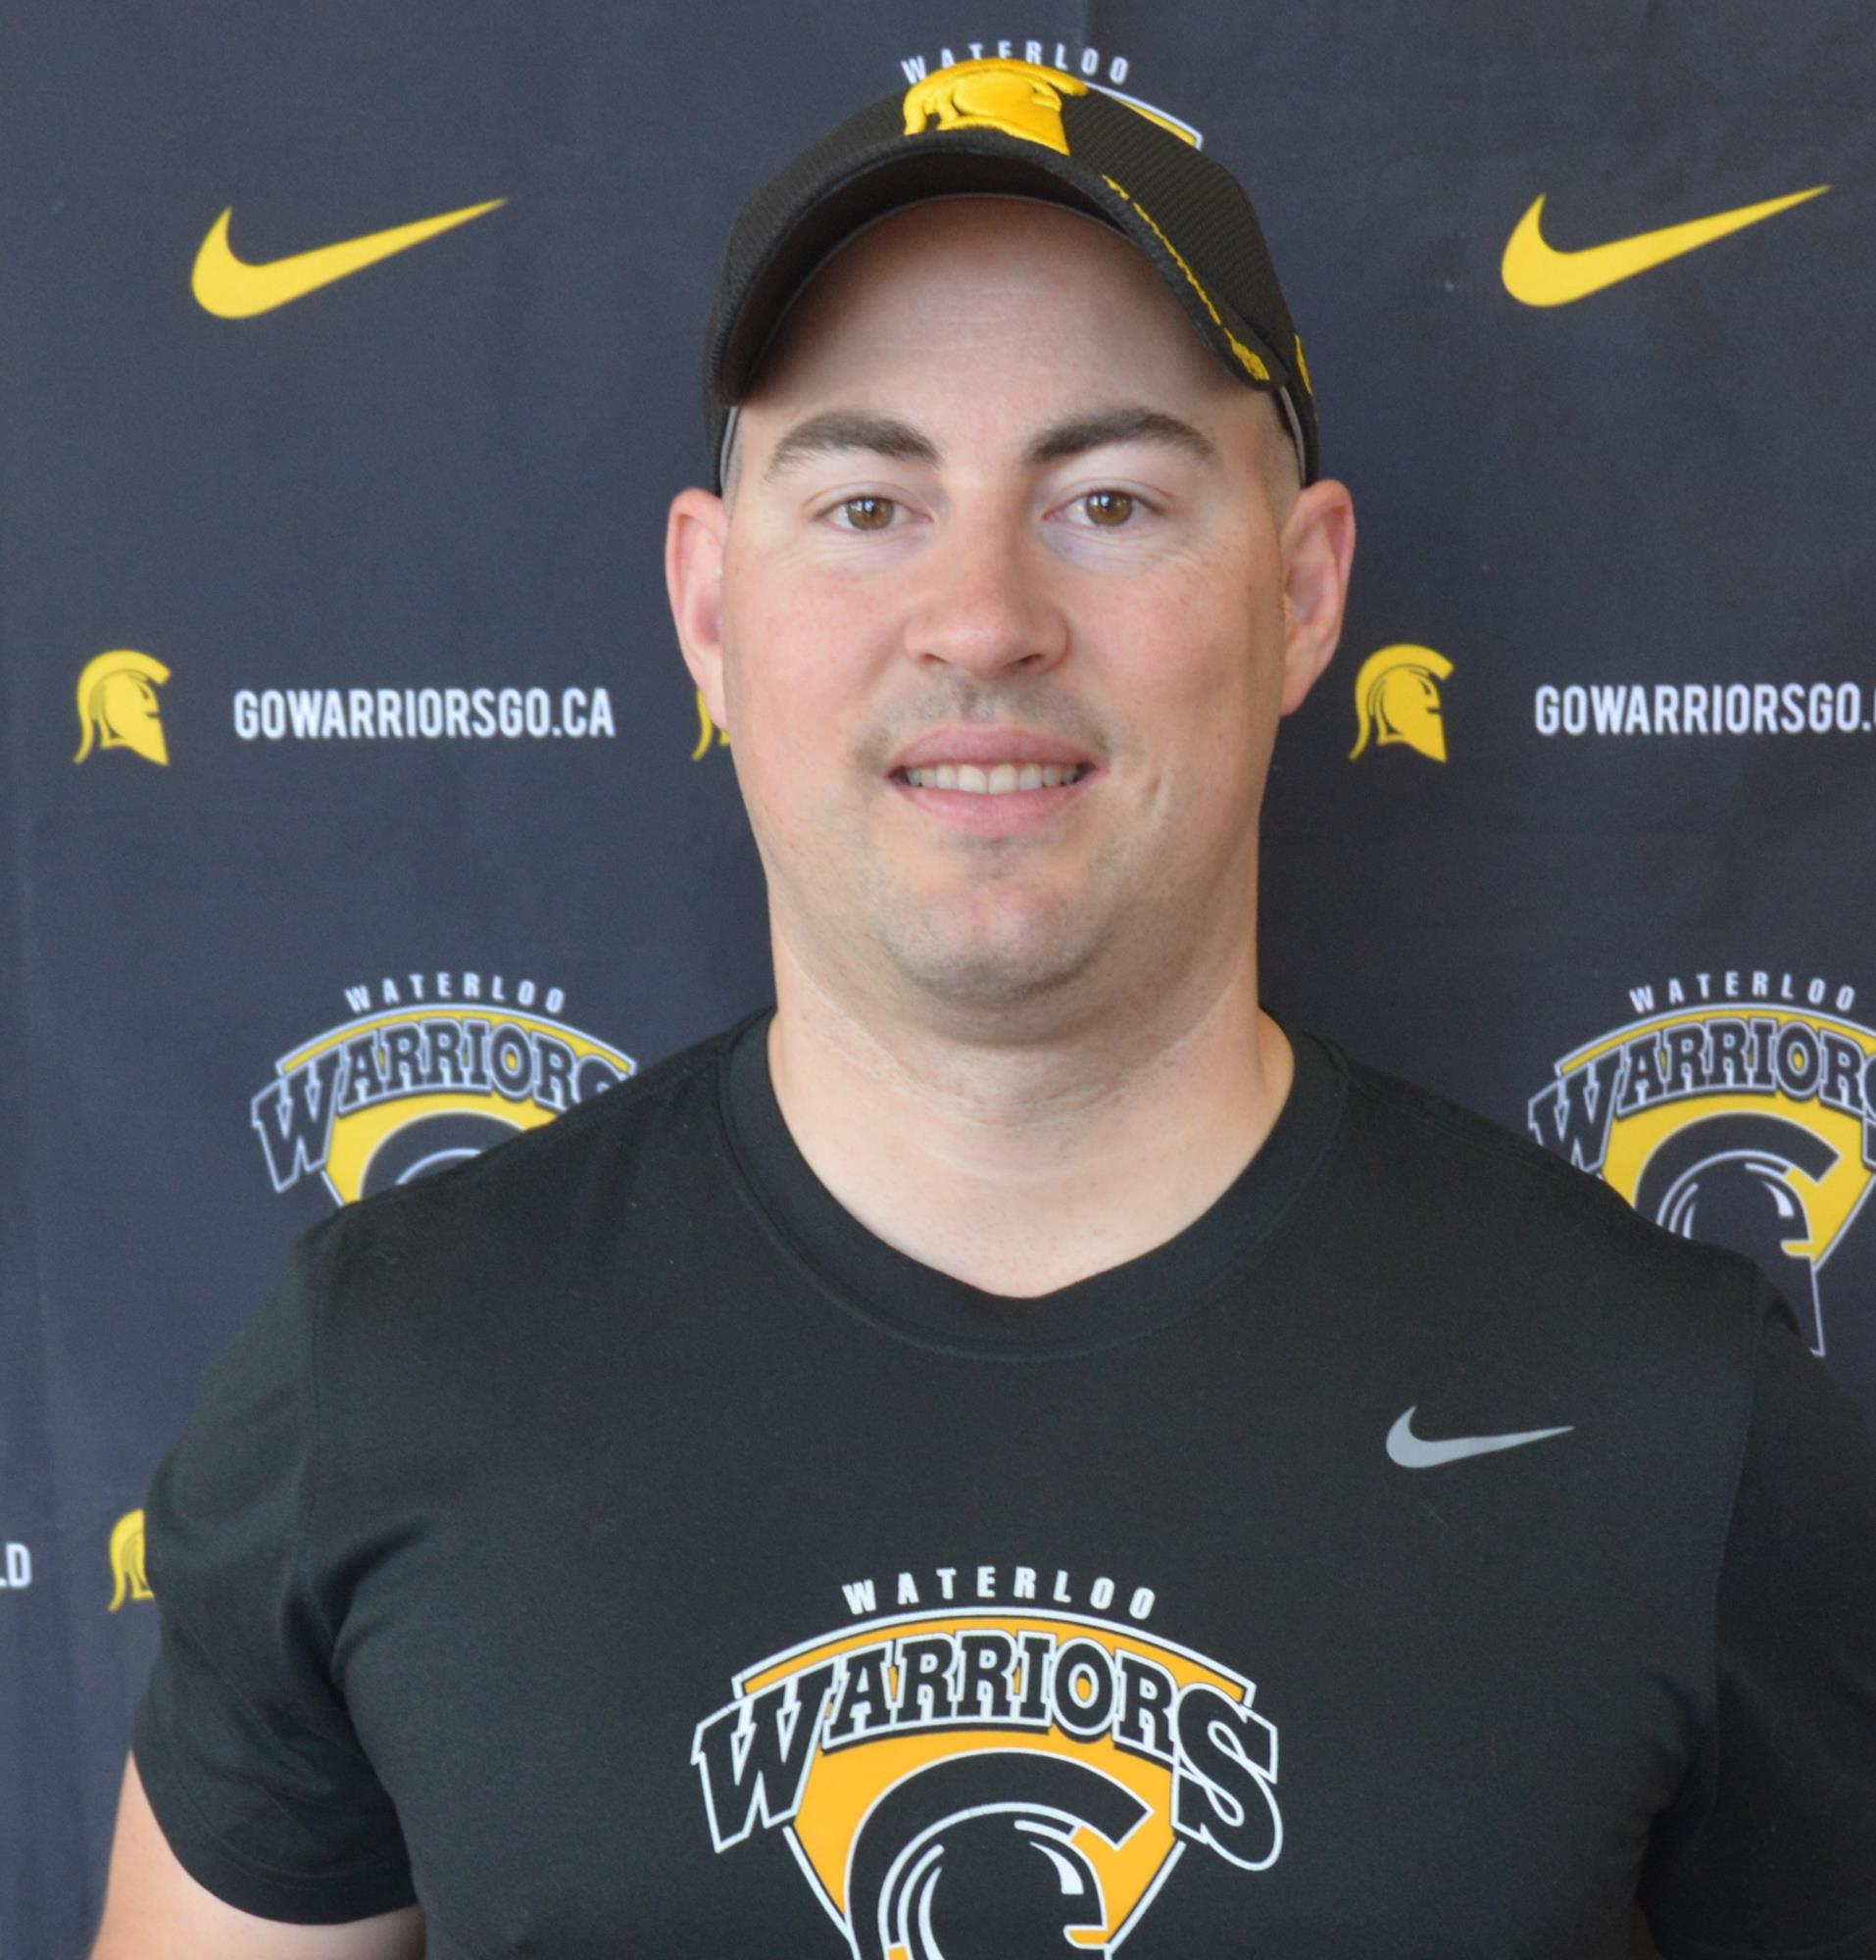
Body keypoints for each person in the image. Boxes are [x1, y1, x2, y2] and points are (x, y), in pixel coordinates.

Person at [91, 58, 1876, 1960]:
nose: (982, 614)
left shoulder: (1679, 1415)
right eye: (868, 502)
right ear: (711, 609)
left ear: (1300, 593)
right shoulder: (389, 1369)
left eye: (1107, 498)